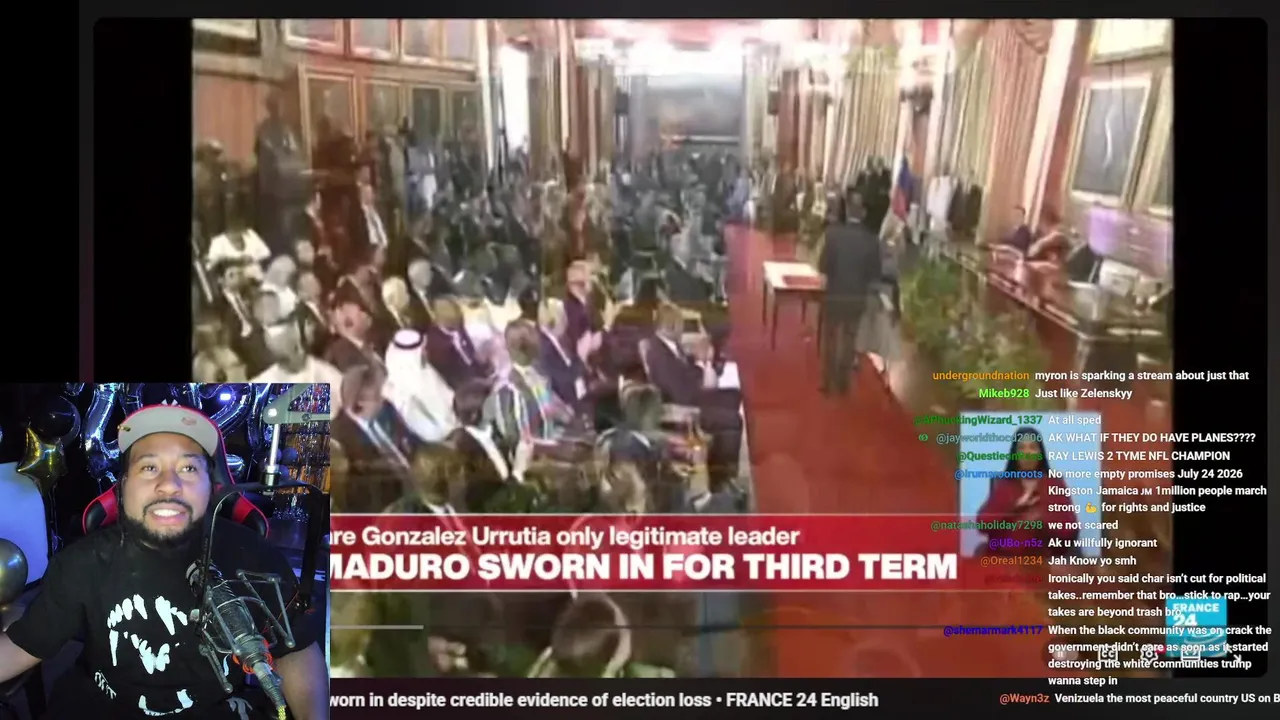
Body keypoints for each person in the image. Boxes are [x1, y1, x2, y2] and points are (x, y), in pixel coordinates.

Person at [0, 405, 328, 719]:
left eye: (188, 468)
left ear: (212, 487)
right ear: (123, 487)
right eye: (149, 467)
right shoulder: (82, 562)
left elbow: (295, 649)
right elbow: (26, 644)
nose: (169, 484)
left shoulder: (255, 556)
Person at [817, 193, 882, 397]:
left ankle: (827, 382)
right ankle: (843, 383)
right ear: (863, 213)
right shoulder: (872, 241)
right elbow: (875, 275)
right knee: (849, 339)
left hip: (834, 294)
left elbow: (823, 267)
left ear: (846, 211)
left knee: (830, 338)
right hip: (856, 297)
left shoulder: (833, 235)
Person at [977, 427, 1079, 554]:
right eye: (1021, 448)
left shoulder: (1054, 483)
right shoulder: (1006, 483)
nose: (1027, 453)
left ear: (1040, 453)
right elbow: (982, 524)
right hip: (1006, 558)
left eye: (1032, 447)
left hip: (1044, 559)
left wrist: (1041, 519)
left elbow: (1070, 530)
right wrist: (1014, 508)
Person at [383, 329, 457, 443]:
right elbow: (428, 430)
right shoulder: (403, 391)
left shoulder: (422, 367)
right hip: (448, 437)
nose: (426, 352)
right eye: (422, 350)